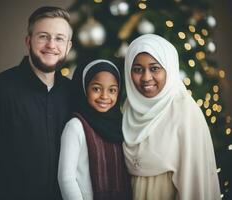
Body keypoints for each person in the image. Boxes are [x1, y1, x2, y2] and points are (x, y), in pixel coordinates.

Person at [0, 6, 72, 200]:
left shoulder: (73, 93)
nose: (51, 44)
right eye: (43, 36)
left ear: (68, 46)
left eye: (59, 38)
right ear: (28, 41)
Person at [122, 34, 221, 200]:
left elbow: (194, 183)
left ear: (169, 68)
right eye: (138, 69)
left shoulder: (185, 112)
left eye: (154, 68)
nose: (146, 78)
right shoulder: (128, 107)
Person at [58, 59, 132, 200]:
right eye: (96, 89)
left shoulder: (120, 125)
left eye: (112, 90)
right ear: (85, 88)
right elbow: (66, 178)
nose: (104, 96)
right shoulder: (76, 126)